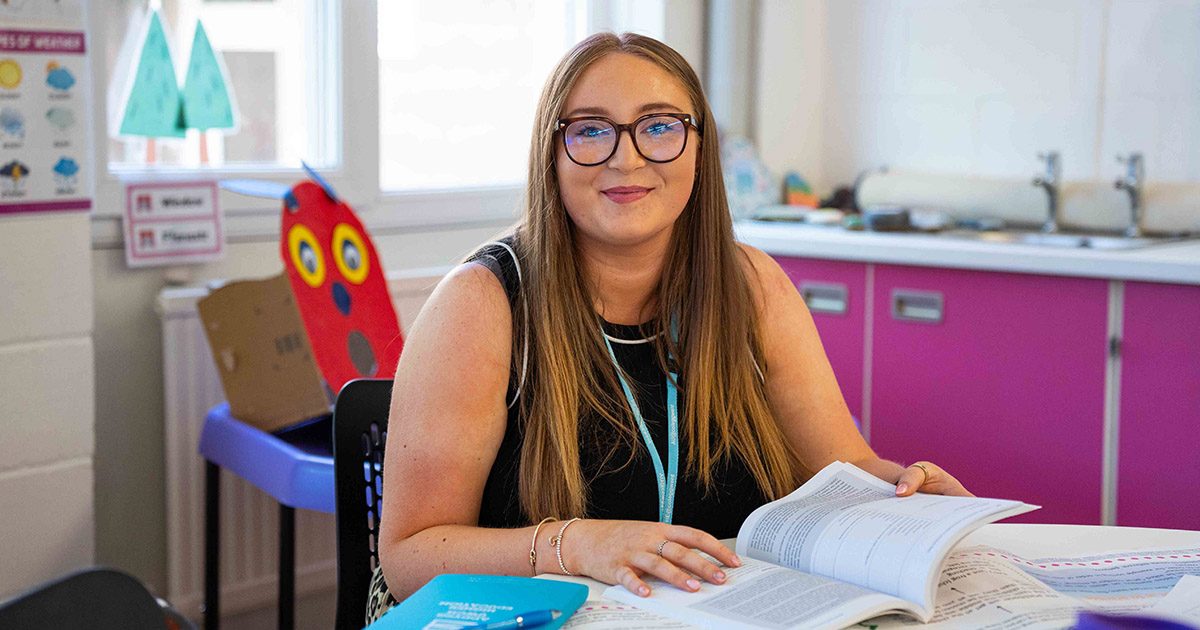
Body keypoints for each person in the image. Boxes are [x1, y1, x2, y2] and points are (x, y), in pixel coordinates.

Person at [371, 31, 972, 620]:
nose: (626, 157)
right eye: (591, 130)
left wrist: (903, 492)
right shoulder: (482, 302)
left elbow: (842, 470)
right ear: (551, 154)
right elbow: (409, 556)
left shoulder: (753, 285)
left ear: (700, 147)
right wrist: (577, 544)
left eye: (659, 126)